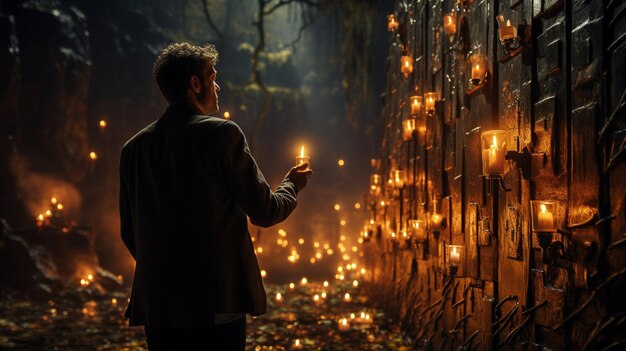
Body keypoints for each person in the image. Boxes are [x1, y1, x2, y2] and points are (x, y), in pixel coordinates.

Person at [119, 42, 312, 350]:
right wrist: (292, 184)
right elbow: (265, 211)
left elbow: (129, 231)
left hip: (159, 304)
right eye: (212, 77)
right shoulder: (221, 134)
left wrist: (166, 269)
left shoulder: (133, 148)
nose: (218, 86)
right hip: (216, 300)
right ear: (195, 84)